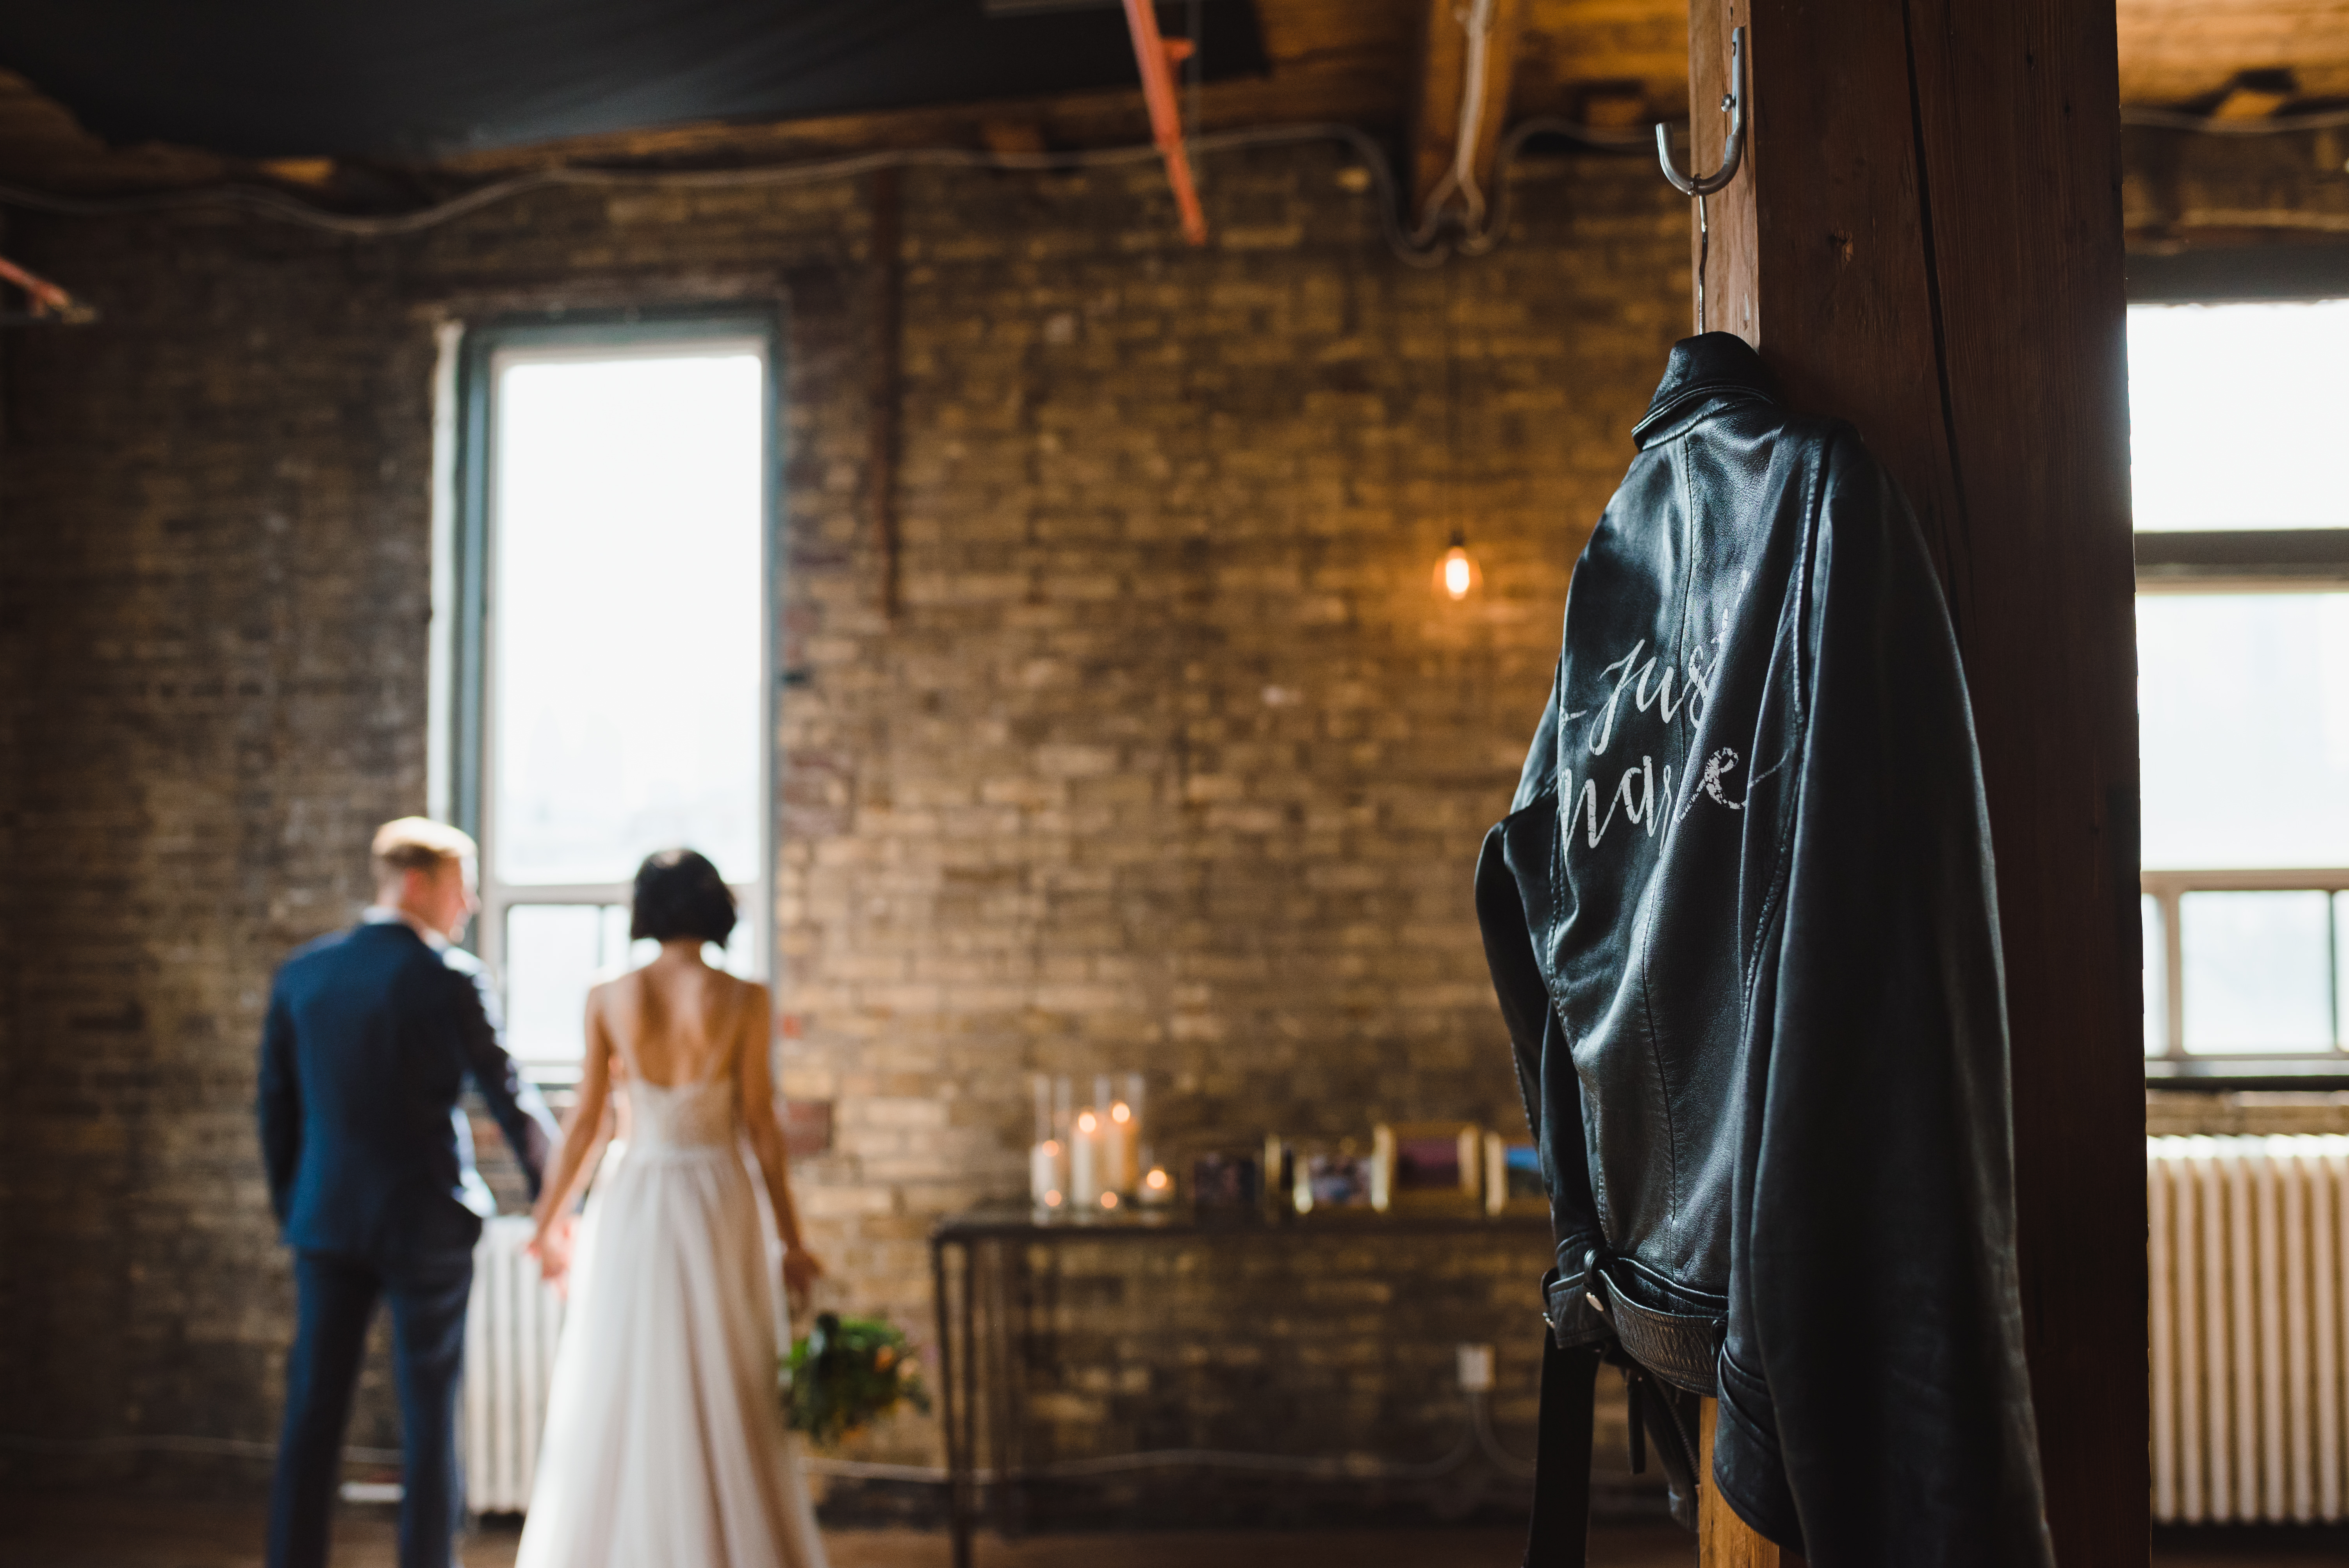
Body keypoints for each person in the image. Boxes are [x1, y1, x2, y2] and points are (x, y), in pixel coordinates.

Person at [514, 849, 828, 1568]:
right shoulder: (746, 997)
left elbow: (586, 1122)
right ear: (714, 906)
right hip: (720, 1193)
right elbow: (761, 1125)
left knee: (629, 1368)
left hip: (637, 1195)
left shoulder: (607, 994)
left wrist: (548, 1221)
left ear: (645, 909)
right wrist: (792, 1240)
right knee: (731, 1364)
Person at [259, 817, 558, 1568]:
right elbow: (509, 1094)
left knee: (312, 1408)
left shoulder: (303, 973)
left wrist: (294, 1207)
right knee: (429, 1413)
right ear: (420, 883)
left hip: (325, 1220)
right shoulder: (449, 977)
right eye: (464, 886)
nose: (473, 903)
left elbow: (275, 1108)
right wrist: (554, 1202)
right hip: (426, 1223)